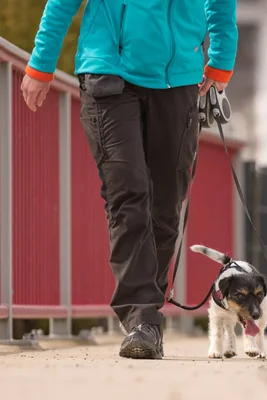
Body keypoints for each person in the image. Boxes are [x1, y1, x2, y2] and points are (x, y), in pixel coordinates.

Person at [21, 0, 238, 360]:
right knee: (129, 193)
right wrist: (41, 65)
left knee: (166, 205)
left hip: (179, 77)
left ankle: (146, 311)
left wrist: (222, 59)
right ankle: (142, 318)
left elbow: (220, 3)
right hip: (109, 72)